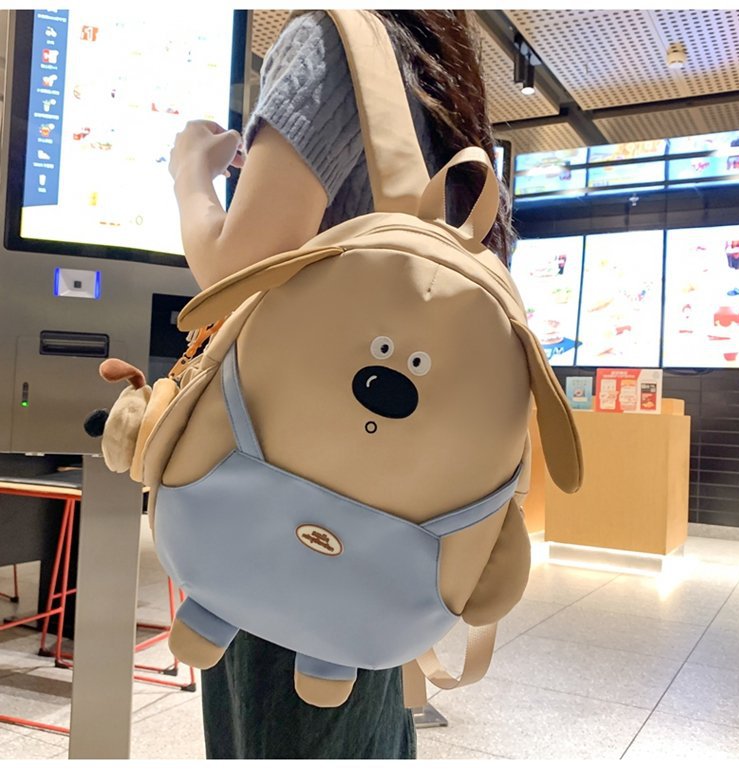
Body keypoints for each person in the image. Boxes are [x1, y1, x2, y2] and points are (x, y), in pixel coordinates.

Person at [168, 9, 513, 760]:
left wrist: (190, 171)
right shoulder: (440, 83)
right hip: (395, 534)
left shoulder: (332, 37)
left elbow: (235, 270)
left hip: (283, 492)